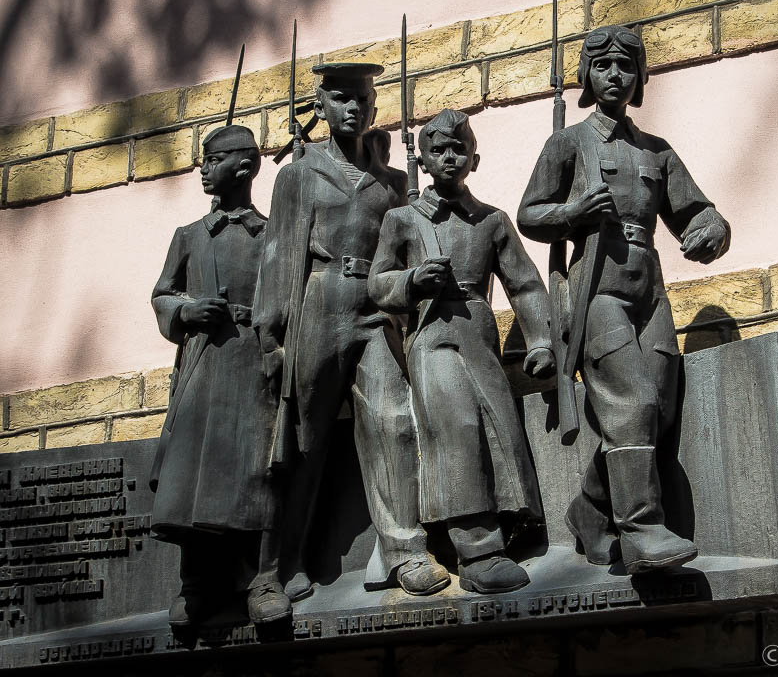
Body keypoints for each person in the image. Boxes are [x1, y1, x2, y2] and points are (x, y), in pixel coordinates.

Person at [517, 26, 731, 574]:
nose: (616, 75)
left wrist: (713, 228)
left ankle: (591, 512)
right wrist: (571, 215)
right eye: (605, 65)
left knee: (650, 414)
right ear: (587, 76)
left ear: (639, 79)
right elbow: (529, 214)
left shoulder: (656, 152)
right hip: (596, 291)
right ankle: (641, 529)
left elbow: (695, 211)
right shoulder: (567, 143)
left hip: (649, 290)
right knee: (630, 404)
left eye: (627, 67)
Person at [252, 63, 448, 599]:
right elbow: (280, 258)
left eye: (362, 99)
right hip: (319, 301)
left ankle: (406, 551)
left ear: (374, 106)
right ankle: (276, 568)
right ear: (320, 107)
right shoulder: (298, 174)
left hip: (376, 306)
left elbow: (409, 246)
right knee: (300, 438)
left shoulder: (394, 183)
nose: (352, 108)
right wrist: (271, 336)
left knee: (392, 421)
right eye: (340, 99)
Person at [369, 109, 555, 594]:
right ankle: (476, 549)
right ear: (424, 161)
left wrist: (538, 339)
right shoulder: (402, 220)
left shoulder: (491, 221)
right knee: (456, 428)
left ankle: (511, 526)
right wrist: (412, 280)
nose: (449, 157)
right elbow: (378, 284)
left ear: (475, 157)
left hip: (479, 333)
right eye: (438, 150)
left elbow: (527, 286)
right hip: (432, 336)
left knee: (500, 426)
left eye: (458, 148)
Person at [150, 124, 290, 626]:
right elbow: (162, 294)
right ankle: (195, 584)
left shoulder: (276, 233)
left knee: (259, 472)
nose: (203, 168)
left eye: (212, 159)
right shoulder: (189, 237)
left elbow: (295, 297)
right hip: (205, 367)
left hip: (257, 367)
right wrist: (185, 313)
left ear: (245, 166)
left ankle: (261, 579)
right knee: (194, 475)